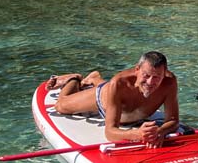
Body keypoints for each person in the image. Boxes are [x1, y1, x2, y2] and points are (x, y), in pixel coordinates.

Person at [47, 51, 179, 147]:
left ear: (164, 74)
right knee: (61, 106)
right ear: (137, 70)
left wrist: (160, 132)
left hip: (120, 99)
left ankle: (94, 78)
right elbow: (110, 132)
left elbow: (173, 121)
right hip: (104, 97)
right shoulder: (119, 83)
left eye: (157, 77)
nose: (150, 82)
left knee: (113, 90)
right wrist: (138, 134)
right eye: (146, 75)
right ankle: (74, 78)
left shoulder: (170, 83)